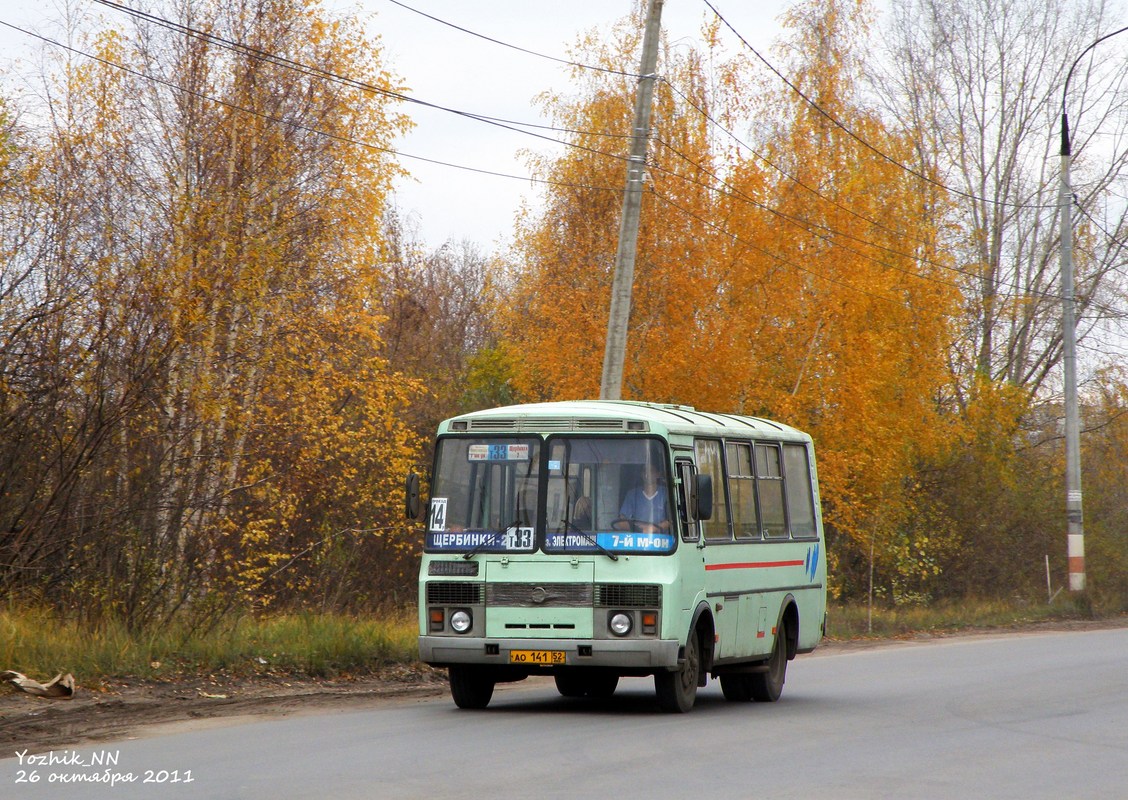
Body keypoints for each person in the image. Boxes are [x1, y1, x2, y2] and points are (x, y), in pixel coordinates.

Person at [615, 463, 670, 534]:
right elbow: (621, 521)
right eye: (645, 471)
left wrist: (653, 528)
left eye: (651, 471)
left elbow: (672, 521)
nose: (648, 474)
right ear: (641, 474)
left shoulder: (666, 494)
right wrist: (639, 529)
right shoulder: (632, 494)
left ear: (658, 474)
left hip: (663, 541)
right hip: (637, 539)